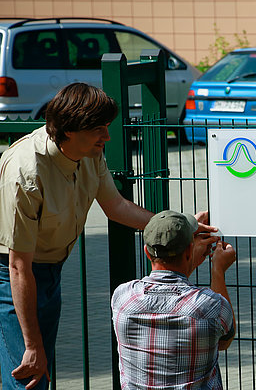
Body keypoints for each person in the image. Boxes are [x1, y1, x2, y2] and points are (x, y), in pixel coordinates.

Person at [0, 83, 215, 390]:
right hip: (11, 276)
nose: (108, 137)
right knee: (28, 376)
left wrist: (182, 226)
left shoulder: (88, 152)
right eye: (99, 129)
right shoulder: (25, 172)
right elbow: (18, 266)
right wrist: (32, 345)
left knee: (39, 374)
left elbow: (116, 206)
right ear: (71, 129)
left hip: (48, 271)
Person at [111, 210, 235, 389]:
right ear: (190, 250)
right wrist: (218, 270)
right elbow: (224, 341)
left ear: (147, 252)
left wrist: (188, 256)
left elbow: (171, 288)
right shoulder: (211, 307)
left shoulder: (123, 298)